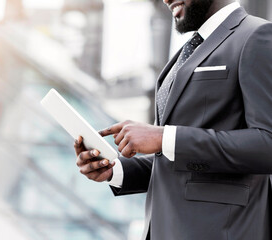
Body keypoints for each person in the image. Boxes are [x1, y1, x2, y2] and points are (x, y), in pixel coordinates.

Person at [73, 0, 272, 239]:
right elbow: (175, 160)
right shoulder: (185, 54)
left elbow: (267, 144)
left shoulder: (257, 36)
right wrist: (113, 170)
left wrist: (164, 137)